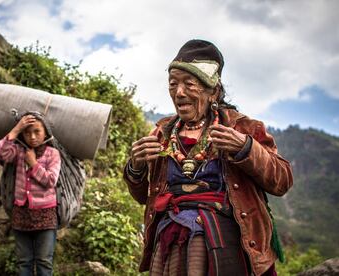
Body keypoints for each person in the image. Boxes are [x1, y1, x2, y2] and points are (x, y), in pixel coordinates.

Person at [123, 40, 293, 275]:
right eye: (173, 84)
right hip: (171, 243)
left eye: (189, 84)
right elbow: (144, 198)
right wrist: (136, 166)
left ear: (213, 91)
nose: (179, 92)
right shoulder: (162, 133)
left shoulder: (242, 127)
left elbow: (282, 180)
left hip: (224, 244)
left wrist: (246, 148)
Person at [0, 111, 61, 276]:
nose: (32, 136)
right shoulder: (18, 151)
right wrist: (16, 129)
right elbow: (0, 152)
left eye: (37, 131)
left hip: (46, 216)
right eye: (27, 132)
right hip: (21, 214)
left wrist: (33, 164)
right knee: (24, 262)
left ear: (45, 131)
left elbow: (50, 181)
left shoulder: (53, 154)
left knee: (44, 262)